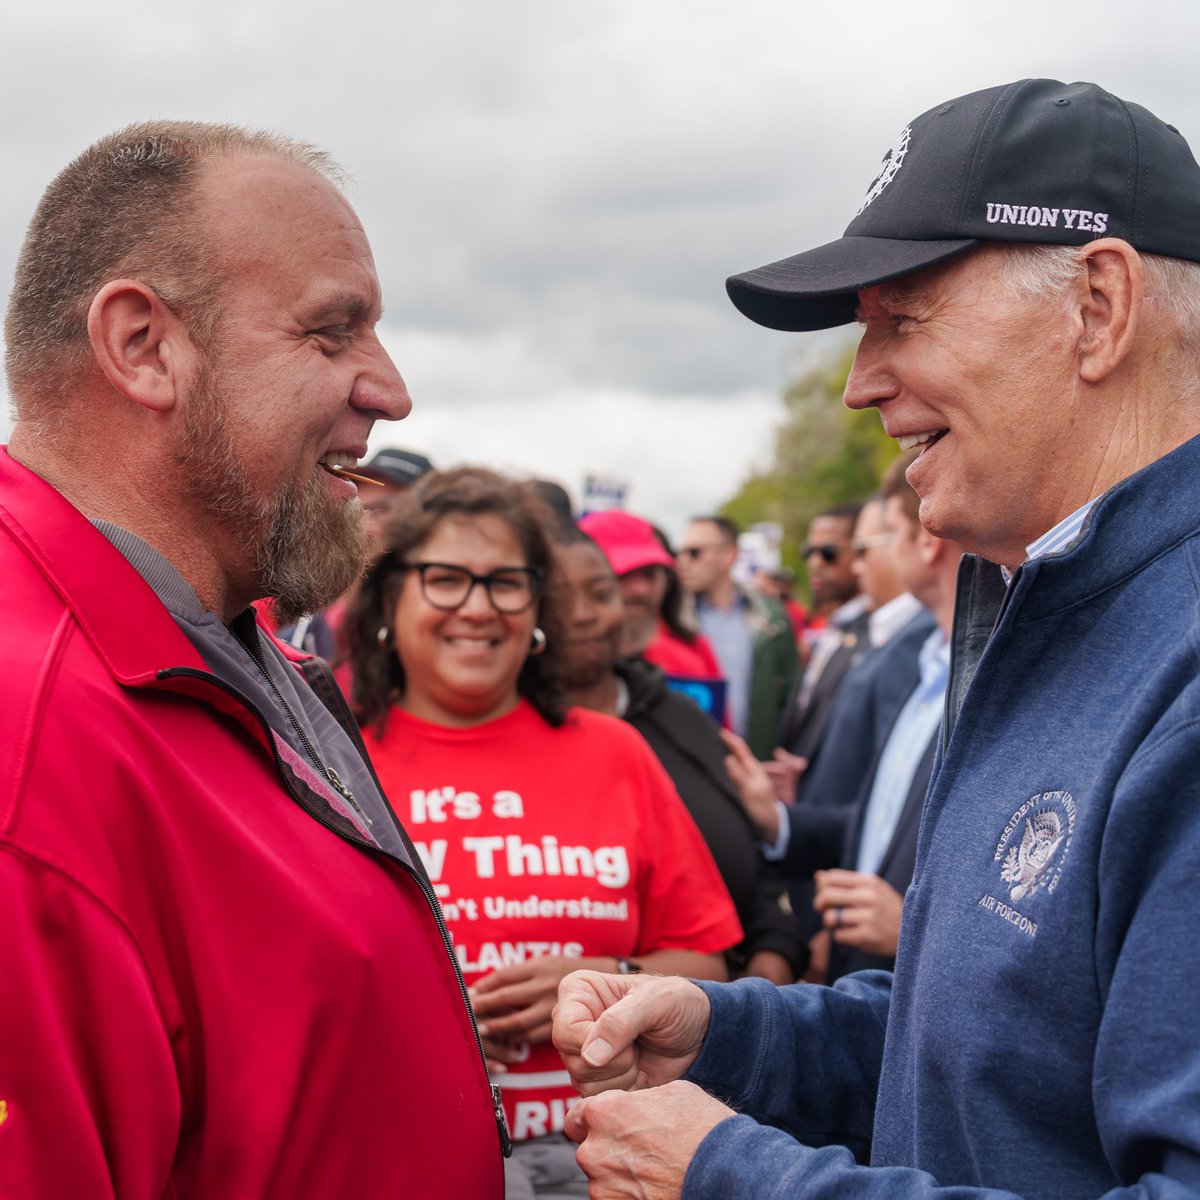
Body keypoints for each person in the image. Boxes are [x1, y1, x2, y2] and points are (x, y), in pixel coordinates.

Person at [552, 78, 1200, 1198]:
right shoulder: (1047, 605)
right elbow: (994, 1040)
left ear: (1099, 306)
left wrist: (729, 1179)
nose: (861, 386)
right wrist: (728, 1036)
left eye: (904, 318)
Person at [0, 123, 504, 1197]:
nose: (392, 390)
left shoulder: (215, 640)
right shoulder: (29, 744)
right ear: (143, 346)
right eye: (334, 333)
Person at [343, 467, 742, 1199]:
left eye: (505, 582)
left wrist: (612, 978)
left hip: (608, 1159)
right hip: (403, 1156)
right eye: (445, 578)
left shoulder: (616, 751)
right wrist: (429, 1021)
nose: (478, 607)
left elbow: (709, 962)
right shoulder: (329, 755)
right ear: (388, 595)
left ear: (537, 606)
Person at [731, 455, 963, 981]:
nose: (855, 565)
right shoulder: (929, 664)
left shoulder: (970, 672)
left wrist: (912, 930)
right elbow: (876, 822)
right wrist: (776, 820)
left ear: (925, 543)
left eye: (869, 546)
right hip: (861, 984)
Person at [550, 519, 807, 984]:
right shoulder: (505, 742)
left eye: (602, 592)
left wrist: (774, 959)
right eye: (563, 597)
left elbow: (751, 869)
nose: (586, 614)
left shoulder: (682, 714)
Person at [676, 514, 798, 758]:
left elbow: (791, 696)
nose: (683, 561)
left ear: (728, 555)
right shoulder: (674, 618)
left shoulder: (772, 616)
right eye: (679, 552)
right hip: (695, 765)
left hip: (757, 767)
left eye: (695, 552)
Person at [579, 508, 723, 682]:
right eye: (623, 573)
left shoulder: (692, 656)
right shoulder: (552, 665)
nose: (640, 589)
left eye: (650, 574)